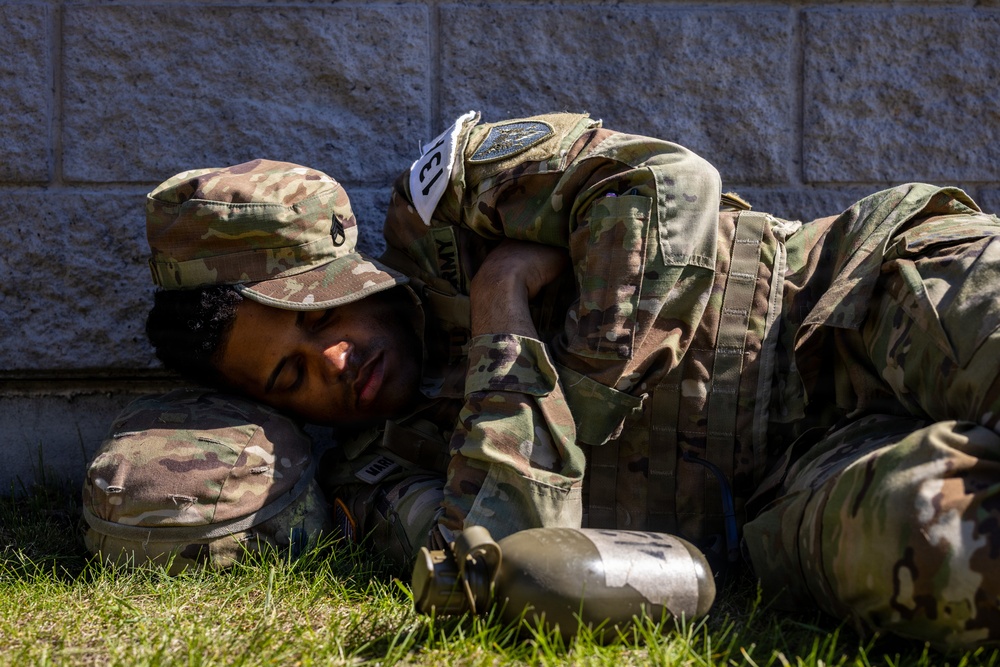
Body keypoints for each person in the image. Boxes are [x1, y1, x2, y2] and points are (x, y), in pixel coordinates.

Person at [143, 111, 1000, 650]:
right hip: (792, 487)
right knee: (944, 546)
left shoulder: (458, 205)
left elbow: (666, 186)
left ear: (349, 259)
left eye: (325, 313)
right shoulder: (375, 475)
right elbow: (511, 553)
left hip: (853, 294)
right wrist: (503, 313)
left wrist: (569, 407)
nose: (336, 361)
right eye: (292, 375)